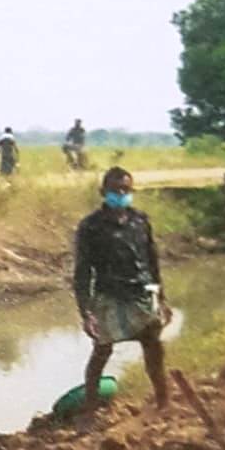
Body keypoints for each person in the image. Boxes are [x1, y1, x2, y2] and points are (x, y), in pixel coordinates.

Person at [72, 166, 172, 420]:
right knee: (102, 351)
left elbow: (152, 261)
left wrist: (162, 298)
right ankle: (91, 410)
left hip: (141, 292)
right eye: (115, 190)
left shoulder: (140, 221)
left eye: (125, 189)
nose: (121, 194)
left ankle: (164, 404)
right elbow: (83, 273)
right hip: (109, 295)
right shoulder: (91, 226)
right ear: (103, 192)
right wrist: (86, 312)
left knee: (154, 350)